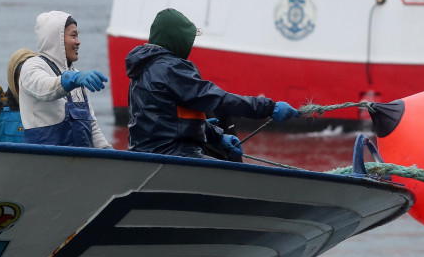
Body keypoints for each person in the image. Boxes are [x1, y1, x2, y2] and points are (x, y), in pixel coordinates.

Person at [125, 8, 299, 159]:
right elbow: (218, 99)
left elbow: (168, 121)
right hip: (175, 155)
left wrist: (218, 136)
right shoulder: (171, 69)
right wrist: (268, 107)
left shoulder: (141, 68)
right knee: (232, 177)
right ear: (178, 39)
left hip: (144, 155)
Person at [18, 11, 112, 148]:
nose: (78, 42)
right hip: (44, 158)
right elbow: (44, 88)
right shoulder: (32, 66)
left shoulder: (77, 76)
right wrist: (71, 79)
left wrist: (106, 149)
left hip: (80, 160)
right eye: (73, 36)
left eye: (78, 36)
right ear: (55, 39)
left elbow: (92, 126)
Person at [0, 47, 36, 142]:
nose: (27, 82)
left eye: (32, 76)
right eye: (22, 76)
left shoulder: (51, 108)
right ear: (13, 77)